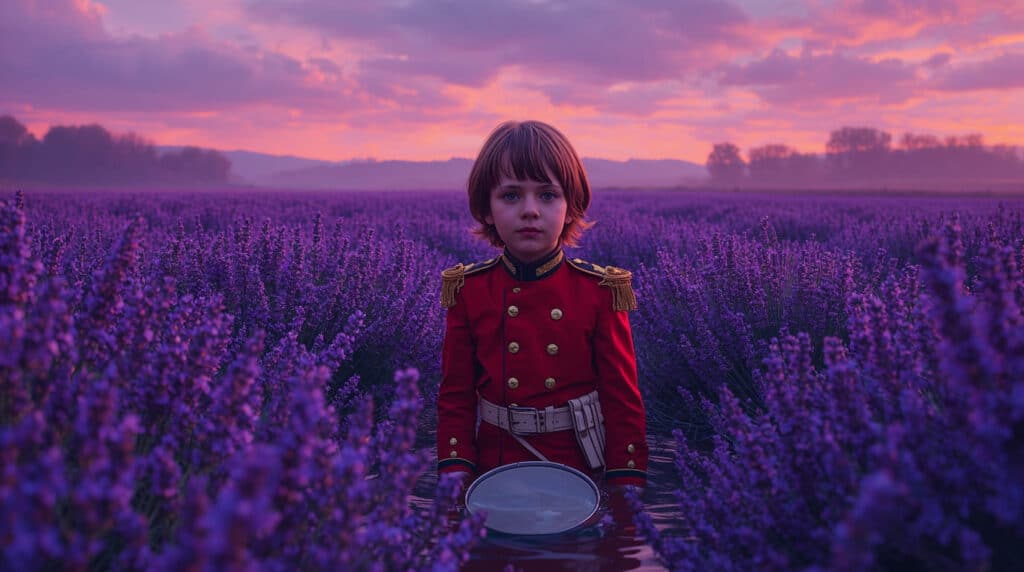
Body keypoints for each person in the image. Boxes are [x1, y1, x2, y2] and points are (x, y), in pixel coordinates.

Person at [436, 120, 648, 491]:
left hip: (579, 474)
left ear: (571, 207)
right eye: (511, 196)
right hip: (495, 472)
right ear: (486, 209)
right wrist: (455, 476)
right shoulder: (469, 291)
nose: (530, 210)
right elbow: (456, 397)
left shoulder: (600, 291)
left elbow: (622, 403)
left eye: (548, 195)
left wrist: (625, 489)